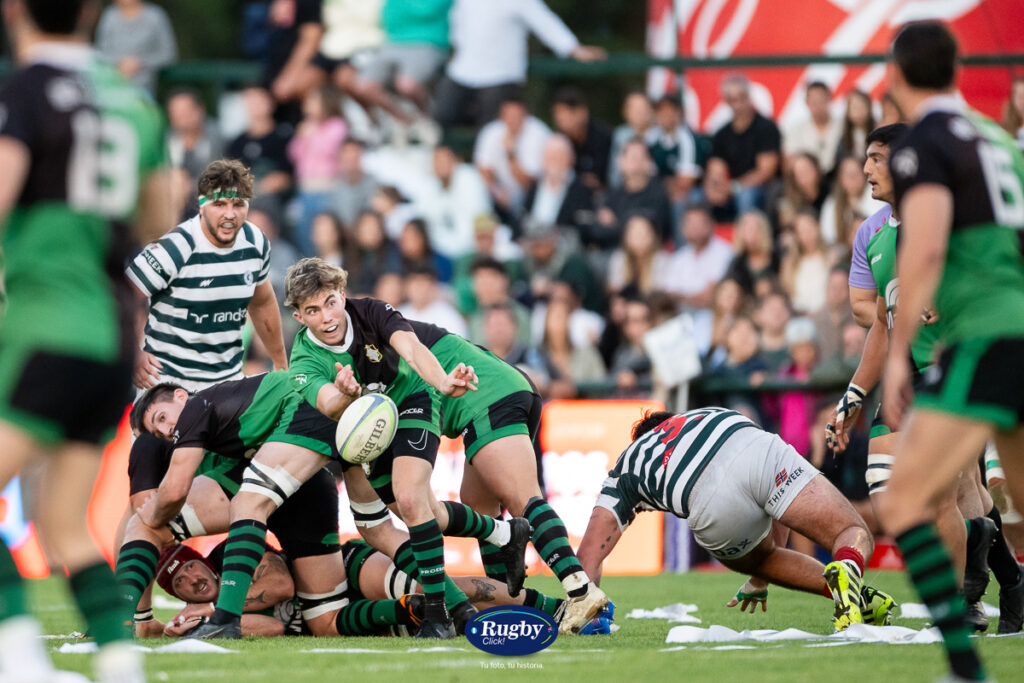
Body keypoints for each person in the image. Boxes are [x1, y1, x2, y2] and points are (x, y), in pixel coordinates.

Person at [284, 258, 610, 635]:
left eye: (330, 303)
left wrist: (441, 382)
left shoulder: (370, 313)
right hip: (451, 400)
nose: (326, 317)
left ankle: (581, 593)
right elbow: (327, 403)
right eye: (313, 310)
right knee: (455, 509)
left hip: (481, 389)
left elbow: (413, 350)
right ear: (299, 317)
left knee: (519, 498)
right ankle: (510, 575)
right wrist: (342, 395)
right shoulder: (303, 359)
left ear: (342, 295)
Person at [0, 0, 168, 680]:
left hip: (47, 323)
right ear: (90, 11)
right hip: (112, 335)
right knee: (64, 525)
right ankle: (121, 665)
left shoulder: (27, 90)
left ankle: (17, 654)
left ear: (15, 10)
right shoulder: (134, 102)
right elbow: (157, 222)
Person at [878, 22, 1024, 681]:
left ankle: (965, 669)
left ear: (896, 74)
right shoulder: (999, 139)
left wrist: (898, 353)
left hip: (986, 335)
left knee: (903, 501)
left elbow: (927, 244)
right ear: (955, 69)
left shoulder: (924, 142)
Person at [576, 408, 895, 630]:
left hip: (711, 503)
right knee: (850, 529)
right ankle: (852, 576)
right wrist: (761, 579)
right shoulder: (704, 414)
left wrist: (586, 615)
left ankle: (849, 591)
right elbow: (775, 503)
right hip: (755, 449)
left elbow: (589, 556)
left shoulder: (629, 463)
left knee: (761, 558)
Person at [127, 159, 288, 391]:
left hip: (226, 384)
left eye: (238, 204)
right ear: (202, 205)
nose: (229, 214)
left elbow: (262, 303)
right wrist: (134, 352)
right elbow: (123, 297)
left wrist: (281, 364)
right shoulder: (174, 248)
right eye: (219, 204)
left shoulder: (255, 242)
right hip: (168, 385)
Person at [432, 0, 605, 129]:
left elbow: (544, 21)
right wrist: (456, 48)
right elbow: (459, 23)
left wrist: (573, 48)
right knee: (441, 115)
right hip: (463, 71)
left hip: (501, 75)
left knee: (489, 130)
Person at [701, 74, 781, 217]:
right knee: (697, 197)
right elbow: (715, 169)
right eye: (733, 99)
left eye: (741, 97)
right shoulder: (722, 134)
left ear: (749, 97)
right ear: (726, 101)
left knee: (746, 196)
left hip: (761, 190)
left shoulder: (766, 128)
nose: (738, 104)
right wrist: (714, 188)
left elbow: (765, 172)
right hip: (732, 189)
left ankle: (747, 232)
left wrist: (734, 187)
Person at [474, 96, 551, 220]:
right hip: (497, 194)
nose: (511, 121)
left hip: (529, 197)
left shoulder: (539, 133)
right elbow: (483, 171)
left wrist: (511, 155)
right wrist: (498, 193)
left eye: (516, 116)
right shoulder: (491, 132)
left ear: (525, 115)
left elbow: (529, 184)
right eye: (508, 116)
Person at [413, 144, 492, 261]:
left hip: (471, 249)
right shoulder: (430, 184)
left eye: (443, 160)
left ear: (455, 161)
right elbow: (422, 216)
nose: (440, 165)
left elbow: (480, 218)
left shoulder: (469, 178)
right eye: (436, 161)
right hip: (440, 252)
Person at [595, 138, 673, 247]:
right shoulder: (614, 193)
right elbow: (597, 230)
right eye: (632, 157)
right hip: (614, 251)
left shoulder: (658, 193)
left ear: (649, 162)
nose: (636, 162)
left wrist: (615, 224)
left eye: (640, 157)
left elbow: (652, 231)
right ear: (621, 161)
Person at [225, 85, 294, 205]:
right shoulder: (236, 143)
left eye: (259, 100)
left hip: (278, 201)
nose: (255, 105)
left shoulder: (284, 137)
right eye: (250, 100)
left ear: (270, 102)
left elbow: (286, 177)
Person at [521, 135, 596, 242]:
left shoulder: (581, 190)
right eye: (550, 156)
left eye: (560, 156)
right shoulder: (534, 186)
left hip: (562, 244)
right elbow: (522, 217)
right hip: (530, 241)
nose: (555, 161)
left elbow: (584, 227)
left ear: (571, 159)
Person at [94, 0, 177, 94]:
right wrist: (120, 64)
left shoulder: (155, 16)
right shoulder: (109, 16)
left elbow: (168, 54)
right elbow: (100, 53)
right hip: (112, 87)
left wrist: (140, 63)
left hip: (145, 89)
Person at [551, 86, 613, 190]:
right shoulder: (561, 141)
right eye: (557, 114)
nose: (560, 119)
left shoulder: (603, 137)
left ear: (582, 112)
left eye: (565, 113)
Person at [646, 95, 701, 201]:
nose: (665, 116)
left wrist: (662, 182)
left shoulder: (688, 139)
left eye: (669, 111)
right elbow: (645, 177)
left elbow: (686, 181)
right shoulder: (651, 139)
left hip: (687, 194)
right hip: (658, 194)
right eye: (661, 111)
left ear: (678, 113)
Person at [783, 81, 842, 175]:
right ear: (807, 102)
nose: (818, 106)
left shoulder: (843, 126)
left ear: (830, 99)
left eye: (821, 100)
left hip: (838, 177)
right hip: (807, 178)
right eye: (814, 101)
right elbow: (790, 161)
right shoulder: (796, 130)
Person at [328, 138, 379, 227]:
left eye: (354, 155)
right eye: (346, 154)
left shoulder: (373, 183)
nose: (350, 156)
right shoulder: (334, 186)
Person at [608, 91, 654, 188]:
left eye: (643, 108)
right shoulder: (620, 135)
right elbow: (614, 173)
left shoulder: (659, 135)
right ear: (625, 112)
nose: (640, 113)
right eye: (635, 109)